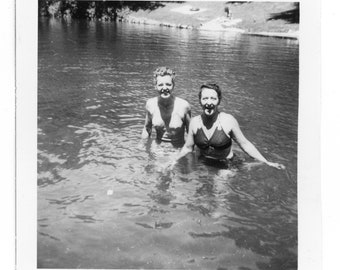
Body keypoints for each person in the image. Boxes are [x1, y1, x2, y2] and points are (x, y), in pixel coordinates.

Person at [170, 83, 285, 169]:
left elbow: (245, 144)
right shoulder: (195, 122)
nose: (209, 102)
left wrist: (267, 162)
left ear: (219, 101)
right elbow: (188, 147)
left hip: (226, 164)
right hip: (203, 162)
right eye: (205, 98)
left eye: (213, 98)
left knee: (219, 195)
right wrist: (173, 161)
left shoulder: (228, 121)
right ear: (200, 101)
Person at [141, 67, 191, 148]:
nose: (165, 88)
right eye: (160, 85)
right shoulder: (150, 104)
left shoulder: (184, 106)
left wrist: (190, 152)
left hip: (177, 151)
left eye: (168, 84)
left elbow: (191, 133)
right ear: (155, 86)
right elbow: (147, 129)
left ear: (173, 85)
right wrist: (142, 148)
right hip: (157, 150)